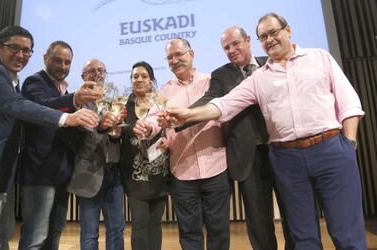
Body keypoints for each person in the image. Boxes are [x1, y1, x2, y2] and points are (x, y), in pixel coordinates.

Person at [165, 13, 367, 250]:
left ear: (287, 30)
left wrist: (349, 144)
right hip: (285, 158)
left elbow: (349, 102)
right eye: (264, 36)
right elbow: (223, 104)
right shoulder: (257, 77)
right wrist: (187, 115)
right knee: (303, 236)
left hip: (329, 150)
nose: (269, 39)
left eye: (273, 33)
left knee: (346, 231)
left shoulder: (319, 57)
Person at [0, 25, 99, 250]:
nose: (21, 55)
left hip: (1, 171)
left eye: (26, 50)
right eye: (14, 48)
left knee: (0, 238)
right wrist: (67, 118)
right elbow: (18, 105)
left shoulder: (11, 79)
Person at [175, 26, 292, 249]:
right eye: (226, 47)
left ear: (248, 40)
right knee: (259, 222)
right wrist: (182, 118)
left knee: (293, 213)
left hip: (283, 150)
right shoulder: (221, 75)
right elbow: (210, 101)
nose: (231, 50)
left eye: (235, 44)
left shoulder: (272, 64)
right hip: (248, 159)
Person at [134, 38, 230, 250]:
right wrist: (147, 127)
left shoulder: (211, 81)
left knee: (219, 231)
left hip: (216, 168)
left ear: (192, 54)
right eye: (170, 57)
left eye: (179, 55)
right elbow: (153, 118)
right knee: (189, 234)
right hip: (182, 173)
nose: (175, 60)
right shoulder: (165, 92)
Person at [17, 41, 102, 250]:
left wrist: (102, 123)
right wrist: (74, 100)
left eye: (67, 62)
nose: (63, 67)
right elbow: (43, 107)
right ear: (45, 58)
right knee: (35, 236)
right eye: (58, 60)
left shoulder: (61, 89)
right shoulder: (32, 83)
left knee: (54, 232)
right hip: (40, 172)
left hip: (62, 172)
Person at [67, 59, 125, 250]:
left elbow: (113, 135)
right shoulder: (76, 102)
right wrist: (102, 125)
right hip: (88, 174)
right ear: (83, 76)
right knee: (90, 233)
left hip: (113, 174)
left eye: (102, 70)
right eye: (92, 71)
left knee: (117, 230)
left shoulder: (113, 101)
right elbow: (86, 130)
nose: (98, 74)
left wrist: (116, 135)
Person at [120, 61, 170, 250]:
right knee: (140, 224)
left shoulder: (161, 102)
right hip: (135, 175)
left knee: (156, 224)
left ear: (151, 80)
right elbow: (117, 132)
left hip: (160, 173)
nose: (139, 79)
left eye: (144, 76)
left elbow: (169, 128)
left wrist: (167, 139)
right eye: (135, 76)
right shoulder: (123, 105)